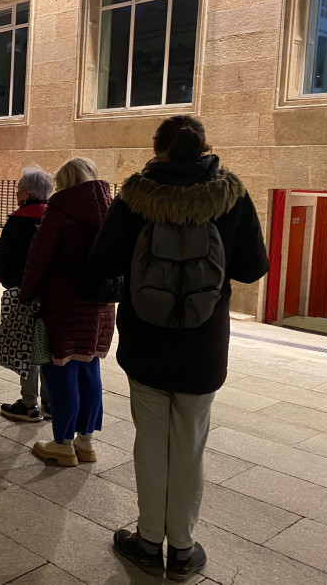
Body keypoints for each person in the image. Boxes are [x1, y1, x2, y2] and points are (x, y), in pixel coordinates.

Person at [89, 116, 269, 581]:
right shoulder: (231, 195)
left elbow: (103, 261)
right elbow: (253, 269)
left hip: (146, 343)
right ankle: (183, 549)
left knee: (150, 443)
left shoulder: (134, 196)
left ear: (157, 147)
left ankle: (148, 542)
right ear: (204, 145)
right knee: (190, 446)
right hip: (203, 346)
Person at [18, 157, 114, 468]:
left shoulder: (59, 211)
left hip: (64, 306)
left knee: (62, 374)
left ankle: (62, 443)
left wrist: (26, 294)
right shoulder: (111, 210)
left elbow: (39, 258)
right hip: (100, 307)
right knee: (90, 370)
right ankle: (86, 441)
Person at [0, 165, 54, 422]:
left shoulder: (19, 219)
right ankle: (52, 403)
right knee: (49, 348)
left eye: (18, 188)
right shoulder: (55, 217)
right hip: (52, 295)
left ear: (27, 192)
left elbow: (1, 261)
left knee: (28, 348)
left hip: (24, 292)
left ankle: (29, 404)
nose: (17, 192)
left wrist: (11, 285)